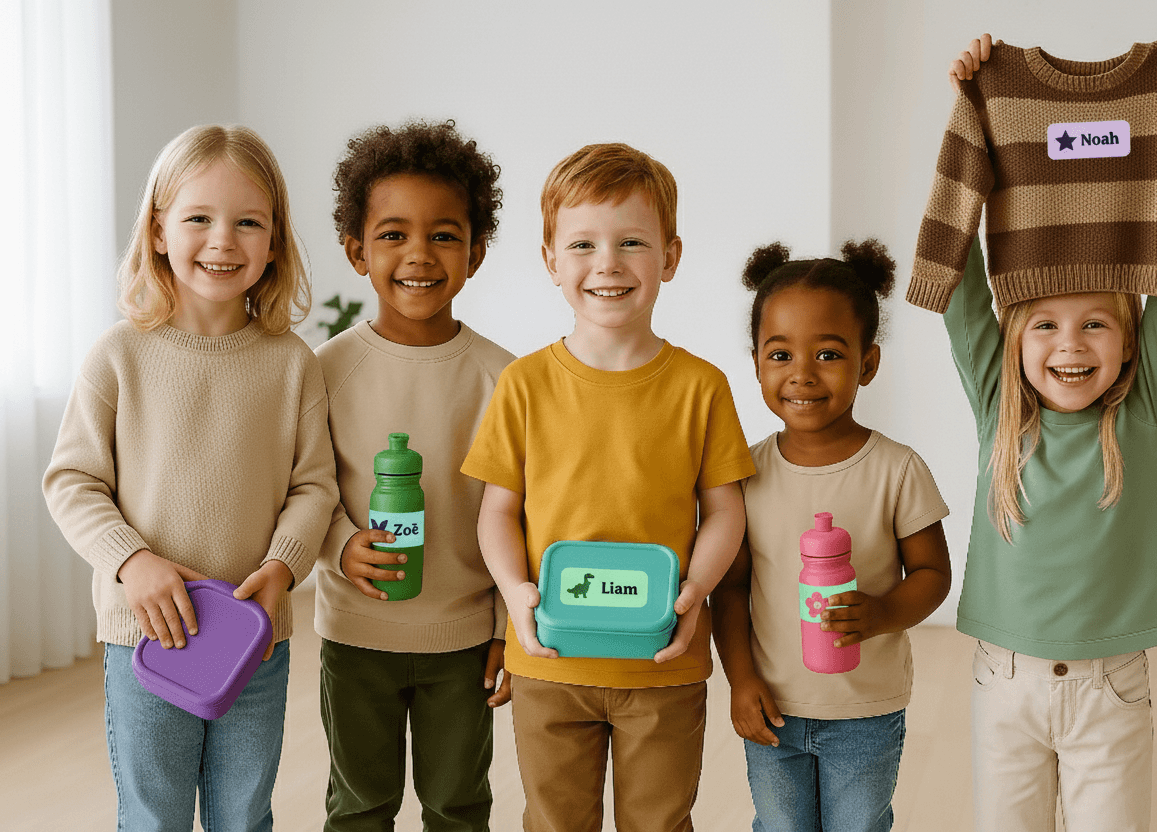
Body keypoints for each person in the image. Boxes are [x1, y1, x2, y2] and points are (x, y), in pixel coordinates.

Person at [936, 29, 1157, 831]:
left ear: (1130, 341)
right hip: (1005, 683)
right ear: (1012, 341)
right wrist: (969, 114)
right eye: (1045, 326)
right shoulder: (997, 401)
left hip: (1112, 686)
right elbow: (959, 282)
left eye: (1096, 323)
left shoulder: (1144, 405)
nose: (1070, 346)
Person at [42, 124, 338, 830]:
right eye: (198, 218)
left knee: (244, 813)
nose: (222, 241)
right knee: (156, 815)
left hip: (253, 636)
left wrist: (281, 567)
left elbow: (314, 487)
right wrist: (132, 562)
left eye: (248, 223)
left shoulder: (292, 363)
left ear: (275, 240)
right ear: (157, 230)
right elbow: (72, 481)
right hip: (146, 632)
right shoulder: (117, 355)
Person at [461, 142, 756, 832]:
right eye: (583, 244)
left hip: (663, 661)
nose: (608, 263)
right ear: (551, 260)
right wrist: (515, 593)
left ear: (670, 257)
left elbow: (725, 511)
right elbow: (497, 512)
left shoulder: (701, 387)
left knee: (660, 822)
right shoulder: (523, 384)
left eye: (632, 242)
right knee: (554, 821)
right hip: (550, 660)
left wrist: (695, 591)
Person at [711, 241, 952, 832]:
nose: (802, 373)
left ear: (867, 364)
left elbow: (932, 574)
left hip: (865, 709)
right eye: (780, 354)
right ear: (756, 361)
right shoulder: (744, 472)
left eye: (828, 354)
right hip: (773, 706)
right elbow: (731, 589)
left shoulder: (896, 469)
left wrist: (882, 612)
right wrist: (741, 680)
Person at [314, 120, 514, 832]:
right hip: (355, 635)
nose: (419, 255)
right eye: (393, 234)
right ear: (356, 250)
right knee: (359, 806)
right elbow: (306, 488)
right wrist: (340, 544)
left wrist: (506, 628)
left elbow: (519, 515)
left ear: (476, 252)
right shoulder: (325, 372)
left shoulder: (504, 379)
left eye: (444, 235)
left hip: (464, 640)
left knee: (458, 807)